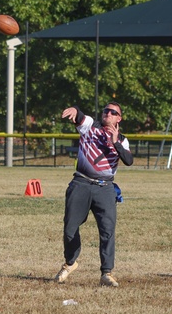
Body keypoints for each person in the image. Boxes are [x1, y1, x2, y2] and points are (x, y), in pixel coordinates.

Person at [55, 102, 133, 287]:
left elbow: (128, 160)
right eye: (106, 110)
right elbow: (81, 117)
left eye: (113, 112)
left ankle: (106, 273)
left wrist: (115, 142)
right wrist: (75, 110)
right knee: (70, 228)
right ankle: (70, 263)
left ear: (119, 118)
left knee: (107, 230)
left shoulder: (122, 140)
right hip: (81, 182)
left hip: (105, 188)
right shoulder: (91, 126)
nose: (108, 113)